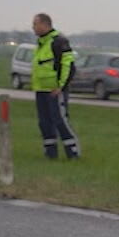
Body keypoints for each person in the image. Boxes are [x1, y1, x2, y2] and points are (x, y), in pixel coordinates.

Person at [30, 13, 80, 159]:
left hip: (55, 91)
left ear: (45, 25)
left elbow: (68, 65)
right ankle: (50, 152)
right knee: (44, 122)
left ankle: (73, 151)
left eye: (35, 24)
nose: (33, 27)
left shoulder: (58, 42)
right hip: (41, 89)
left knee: (60, 120)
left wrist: (61, 87)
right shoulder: (41, 43)